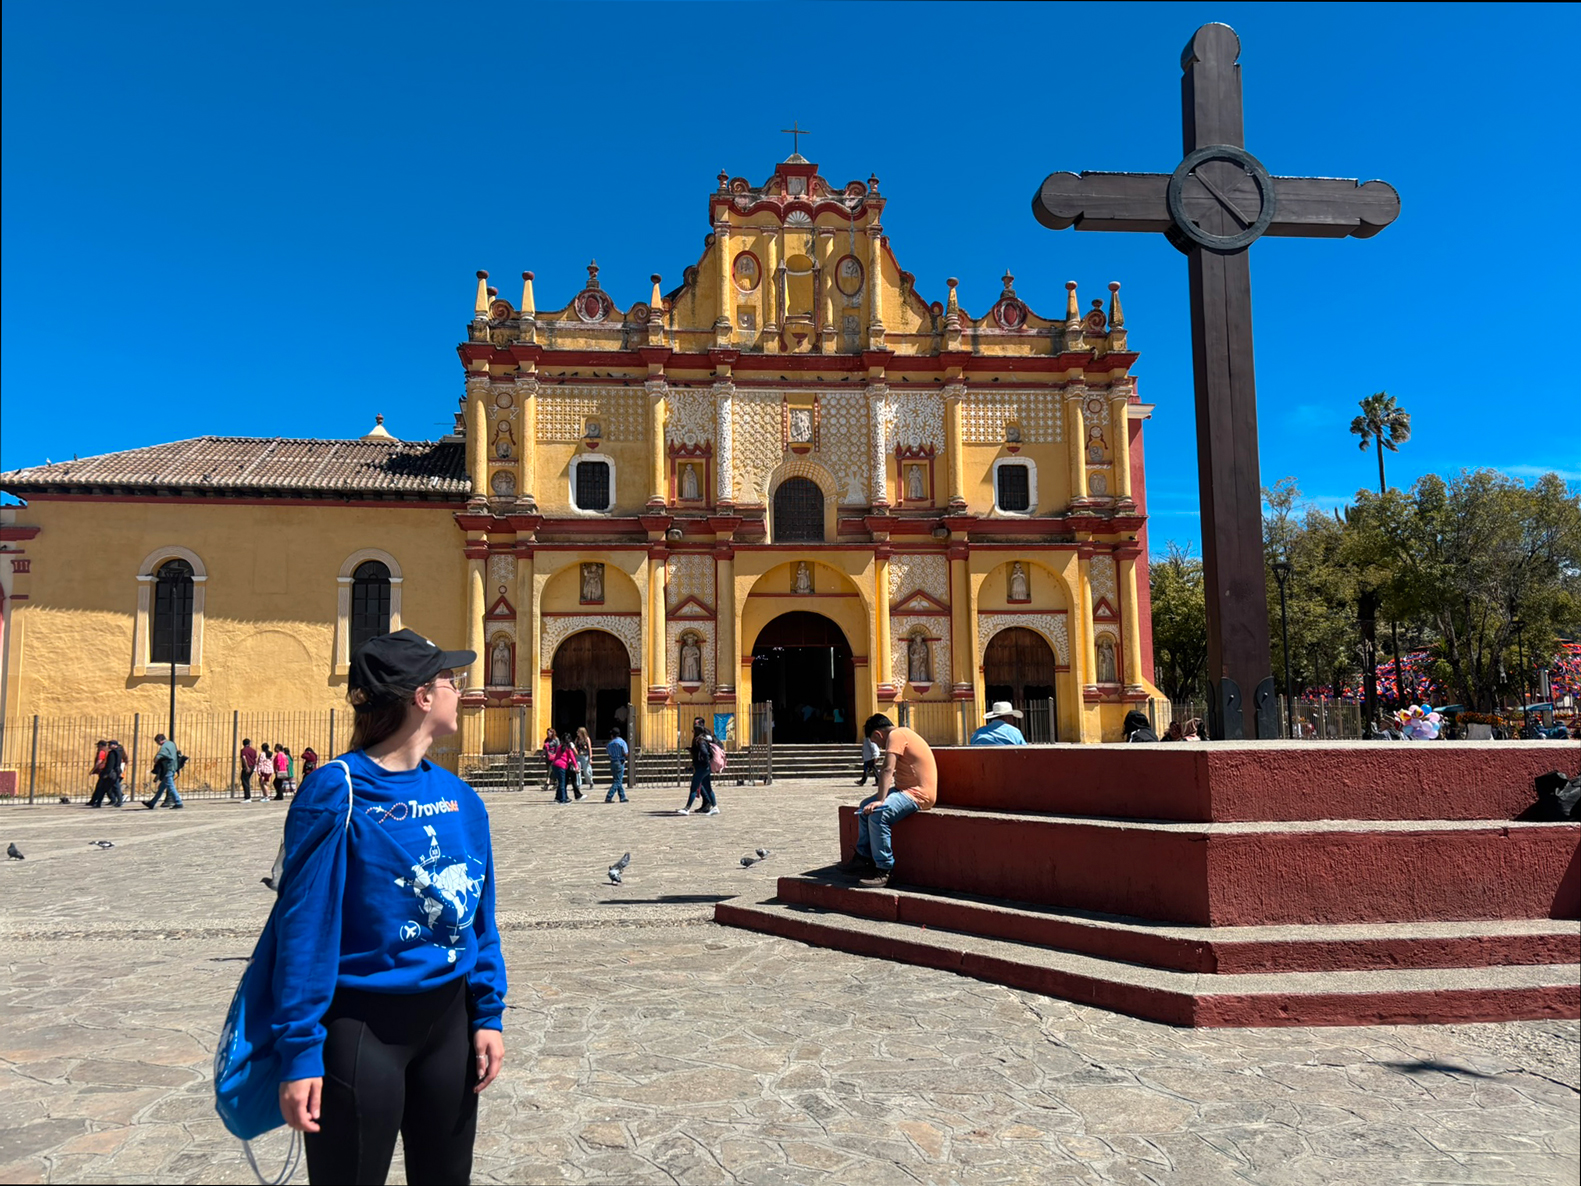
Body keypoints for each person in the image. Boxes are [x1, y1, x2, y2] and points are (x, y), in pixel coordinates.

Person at [271, 627, 505, 1184]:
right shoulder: (336, 790)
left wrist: (488, 1012)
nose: (459, 688)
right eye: (450, 679)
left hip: (449, 1026)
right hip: (361, 1031)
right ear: (422, 697)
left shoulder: (461, 798)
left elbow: (480, 916)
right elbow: (304, 925)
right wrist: (301, 1049)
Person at [845, 714, 935, 889]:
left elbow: (887, 769)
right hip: (905, 789)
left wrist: (881, 800)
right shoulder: (902, 734)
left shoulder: (896, 735)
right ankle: (863, 857)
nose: (878, 745)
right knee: (864, 807)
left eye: (875, 741)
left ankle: (884, 869)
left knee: (878, 814)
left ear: (878, 734)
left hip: (919, 794)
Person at [678, 718, 719, 815]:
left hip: (702, 767)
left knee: (694, 787)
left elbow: (704, 753)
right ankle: (715, 807)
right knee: (708, 788)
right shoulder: (705, 739)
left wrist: (704, 763)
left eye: (693, 730)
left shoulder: (699, 740)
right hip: (706, 767)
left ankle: (687, 809)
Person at [143, 733, 184, 809]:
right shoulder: (171, 743)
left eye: (157, 742)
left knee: (170, 785)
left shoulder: (164, 747)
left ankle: (178, 802)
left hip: (168, 767)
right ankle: (152, 803)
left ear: (160, 740)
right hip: (174, 766)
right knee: (162, 787)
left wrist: (155, 760)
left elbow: (158, 757)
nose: (158, 744)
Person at [550, 733, 578, 803]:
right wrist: (576, 767)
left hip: (555, 765)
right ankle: (563, 799)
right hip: (561, 766)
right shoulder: (568, 748)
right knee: (562, 783)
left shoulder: (559, 747)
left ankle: (558, 797)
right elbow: (573, 757)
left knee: (560, 782)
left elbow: (556, 756)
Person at [605, 726, 629, 803]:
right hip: (620, 761)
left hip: (613, 762)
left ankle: (622, 796)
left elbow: (609, 754)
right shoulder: (622, 742)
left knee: (618, 780)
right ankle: (609, 796)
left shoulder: (610, 744)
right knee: (618, 781)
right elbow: (626, 753)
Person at [574, 727, 594, 795]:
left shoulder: (587, 739)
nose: (577, 733)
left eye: (578, 732)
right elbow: (575, 748)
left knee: (586, 771)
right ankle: (578, 784)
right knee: (577, 770)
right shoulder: (577, 739)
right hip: (578, 756)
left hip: (585, 756)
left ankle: (590, 782)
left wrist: (590, 757)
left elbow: (589, 748)